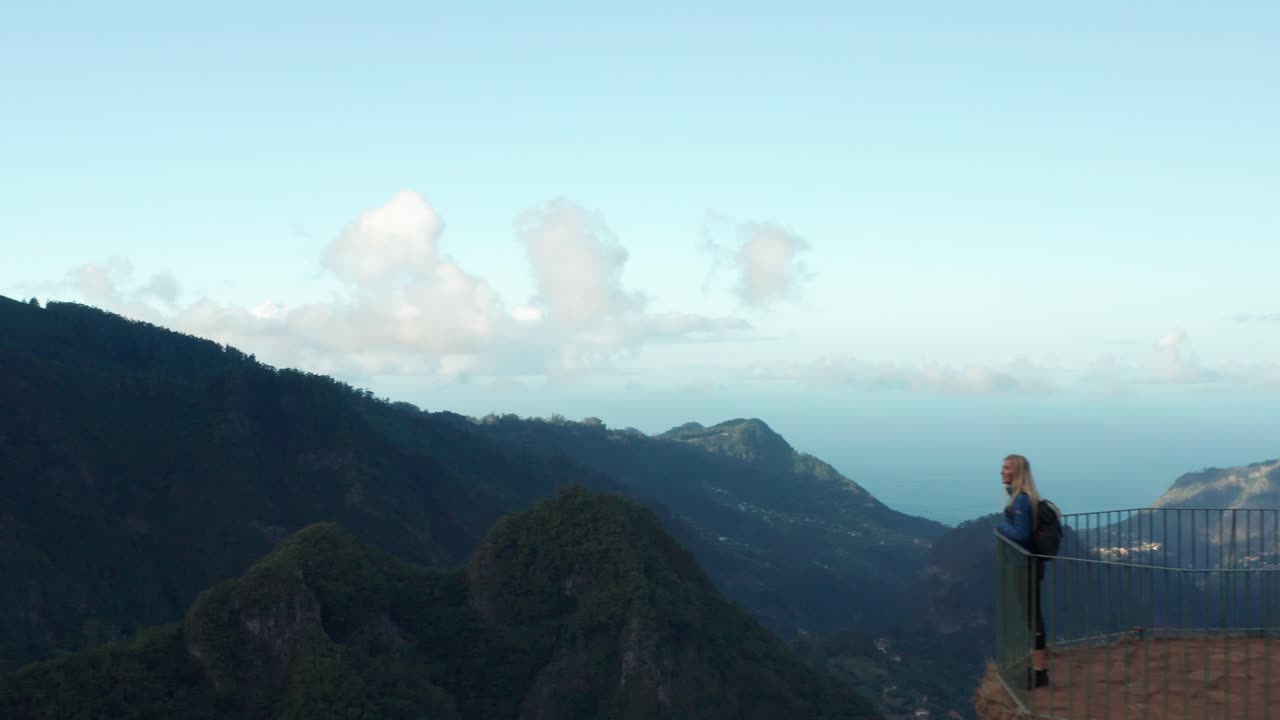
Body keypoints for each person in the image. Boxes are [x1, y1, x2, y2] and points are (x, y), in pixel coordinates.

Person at [996, 453, 1048, 689]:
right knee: (1031, 616)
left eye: (1007, 468)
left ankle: (1039, 673)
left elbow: (1021, 534)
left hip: (1025, 567)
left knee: (1032, 617)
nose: (1002, 471)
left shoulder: (1021, 501)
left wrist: (1001, 526)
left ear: (1017, 472)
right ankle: (1038, 667)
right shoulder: (1022, 498)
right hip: (1026, 566)